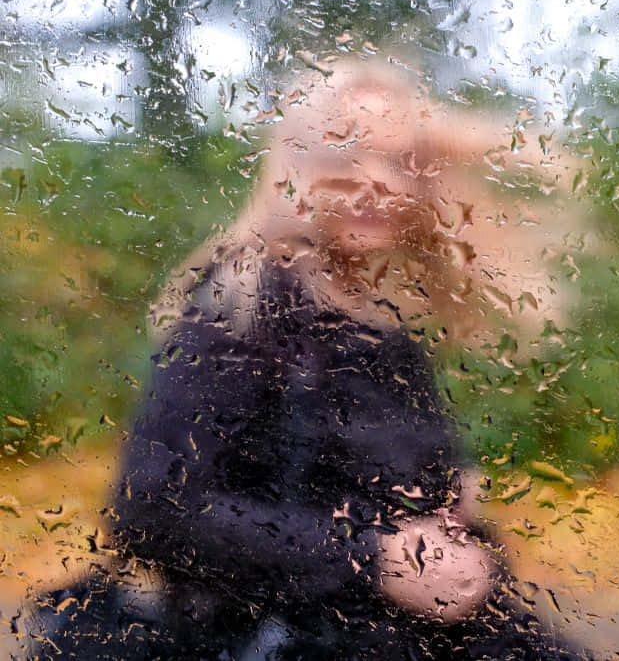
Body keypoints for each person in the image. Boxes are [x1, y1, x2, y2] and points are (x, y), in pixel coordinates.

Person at [25, 57, 588, 660]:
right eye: (346, 154)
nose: (377, 182)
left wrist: (459, 533)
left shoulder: (385, 325)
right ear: (296, 166)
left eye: (401, 162)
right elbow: (152, 508)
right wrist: (372, 558)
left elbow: (401, 498)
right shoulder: (244, 308)